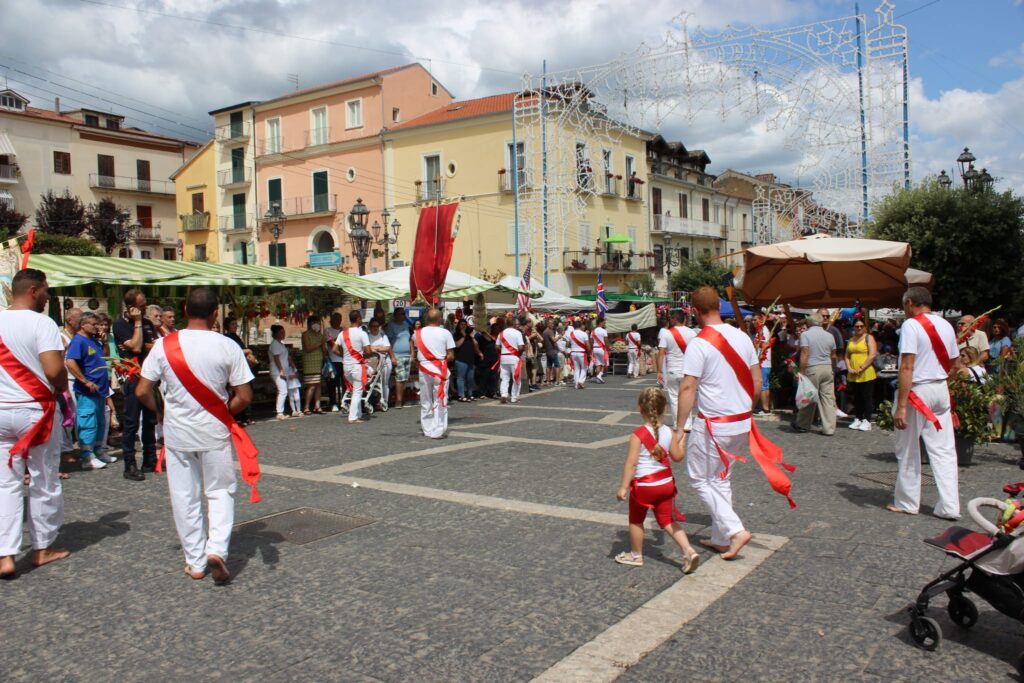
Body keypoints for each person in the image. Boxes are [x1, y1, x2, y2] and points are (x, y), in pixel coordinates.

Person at [135, 287, 255, 584]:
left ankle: (196, 562)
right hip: (214, 430)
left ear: (185, 311)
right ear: (215, 314)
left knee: (184, 495)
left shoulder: (163, 346)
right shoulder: (228, 346)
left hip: (177, 433)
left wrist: (161, 414)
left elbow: (141, 391)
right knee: (220, 491)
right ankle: (216, 549)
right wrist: (224, 412)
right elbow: (244, 395)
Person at [674, 286, 765, 560]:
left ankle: (735, 530)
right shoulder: (742, 337)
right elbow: (757, 381)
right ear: (718, 306)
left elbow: (689, 387)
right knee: (721, 477)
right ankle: (721, 537)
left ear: (695, 311)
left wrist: (680, 427)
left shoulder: (700, 343)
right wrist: (745, 409)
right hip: (740, 420)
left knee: (699, 478)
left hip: (714, 423)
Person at [0, 269, 71, 577]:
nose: (47, 296)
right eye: (45, 291)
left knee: (5, 482)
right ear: (33, 291)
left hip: (1, 408)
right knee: (44, 478)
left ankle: (5, 555)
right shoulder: (43, 323)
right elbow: (54, 371)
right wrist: (63, 385)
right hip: (36, 411)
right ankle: (42, 548)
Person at [889, 286, 961, 520]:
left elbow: (907, 365)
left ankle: (908, 502)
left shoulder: (911, 325)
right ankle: (950, 506)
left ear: (910, 303)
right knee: (944, 450)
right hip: (940, 388)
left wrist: (900, 406)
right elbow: (955, 362)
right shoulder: (946, 325)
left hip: (918, 391)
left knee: (908, 448)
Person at [614, 387, 699, 573]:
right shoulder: (668, 431)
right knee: (668, 520)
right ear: (665, 409)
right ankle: (688, 550)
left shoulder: (637, 435)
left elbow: (631, 464)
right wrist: (681, 441)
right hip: (665, 484)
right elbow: (677, 457)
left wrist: (623, 487)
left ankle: (636, 555)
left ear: (640, 408)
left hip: (644, 486)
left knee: (636, 520)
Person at [113, 289, 159, 481]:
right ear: (131, 307)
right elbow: (137, 347)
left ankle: (150, 459)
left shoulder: (148, 323)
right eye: (141, 306)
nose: (144, 308)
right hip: (132, 377)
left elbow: (154, 345)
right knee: (131, 422)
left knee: (150, 419)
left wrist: (139, 340)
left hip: (148, 377)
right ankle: (130, 464)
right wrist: (138, 323)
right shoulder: (120, 325)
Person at [65, 312, 112, 470]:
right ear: (83, 325)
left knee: (99, 421)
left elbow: (105, 356)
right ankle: (87, 456)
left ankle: (98, 450)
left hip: (100, 390)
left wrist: (104, 343)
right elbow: (70, 362)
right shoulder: (78, 341)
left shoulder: (94, 340)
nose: (97, 327)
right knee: (88, 422)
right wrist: (85, 381)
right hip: (87, 391)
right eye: (93, 324)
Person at [412, 309, 455, 438]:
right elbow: (451, 355)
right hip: (439, 370)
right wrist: (439, 361)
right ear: (440, 319)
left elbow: (414, 353)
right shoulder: (445, 333)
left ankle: (427, 429)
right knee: (440, 399)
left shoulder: (416, 334)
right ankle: (438, 429)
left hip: (423, 368)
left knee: (425, 399)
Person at [792, 314, 837, 436]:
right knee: (828, 399)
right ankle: (829, 428)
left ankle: (802, 424)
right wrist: (832, 368)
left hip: (813, 368)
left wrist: (801, 371)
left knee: (809, 396)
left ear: (810, 323)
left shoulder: (806, 335)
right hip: (827, 368)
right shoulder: (830, 336)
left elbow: (805, 353)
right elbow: (833, 355)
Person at [659, 309, 697, 429]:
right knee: (688, 397)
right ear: (684, 319)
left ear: (674, 319)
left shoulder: (666, 333)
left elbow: (661, 353)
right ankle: (688, 424)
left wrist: (659, 371)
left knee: (674, 399)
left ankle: (677, 424)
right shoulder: (692, 333)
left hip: (672, 369)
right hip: (688, 371)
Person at [335, 310, 373, 424]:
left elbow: (334, 349)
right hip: (357, 365)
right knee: (357, 391)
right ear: (358, 319)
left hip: (346, 365)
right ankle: (352, 417)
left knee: (355, 389)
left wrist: (344, 355)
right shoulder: (362, 333)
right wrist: (365, 355)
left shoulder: (342, 333)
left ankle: (358, 413)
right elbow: (368, 351)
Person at [223, 317, 257, 426]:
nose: (235, 326)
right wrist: (247, 351)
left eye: (235, 324)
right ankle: (237, 417)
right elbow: (233, 351)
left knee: (247, 391)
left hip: (243, 367)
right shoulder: (227, 337)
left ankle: (245, 416)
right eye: (232, 324)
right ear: (227, 326)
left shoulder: (236, 337)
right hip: (235, 369)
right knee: (239, 393)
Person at [845, 319, 878, 431]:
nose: (859, 328)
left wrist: (861, 367)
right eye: (856, 326)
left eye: (861, 326)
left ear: (864, 327)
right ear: (853, 327)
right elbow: (847, 356)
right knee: (857, 397)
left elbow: (872, 355)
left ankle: (867, 420)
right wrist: (849, 367)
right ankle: (858, 418)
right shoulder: (851, 340)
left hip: (866, 372)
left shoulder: (869, 338)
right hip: (853, 373)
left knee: (866, 397)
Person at [385, 308, 413, 409]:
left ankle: (400, 397)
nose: (404, 315)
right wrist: (392, 356)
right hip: (397, 355)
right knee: (399, 378)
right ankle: (399, 400)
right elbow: (387, 342)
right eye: (402, 314)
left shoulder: (406, 325)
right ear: (396, 315)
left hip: (407, 355)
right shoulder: (391, 326)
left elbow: (410, 340)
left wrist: (412, 353)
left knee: (404, 378)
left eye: (404, 313)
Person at [268, 324, 297, 420]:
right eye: (281, 332)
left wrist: (290, 364)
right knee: (283, 390)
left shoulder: (281, 343)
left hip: (283, 369)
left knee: (283, 390)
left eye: (283, 332)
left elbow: (284, 357)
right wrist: (281, 370)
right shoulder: (275, 344)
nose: (283, 334)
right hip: (277, 371)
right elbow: (276, 358)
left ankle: (281, 411)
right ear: (276, 334)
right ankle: (279, 412)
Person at [367, 318, 395, 410]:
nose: (375, 328)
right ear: (370, 327)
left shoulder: (383, 336)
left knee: (385, 382)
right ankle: (374, 400)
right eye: (373, 326)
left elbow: (387, 348)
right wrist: (378, 347)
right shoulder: (367, 336)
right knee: (373, 382)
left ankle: (384, 401)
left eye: (377, 326)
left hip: (385, 361)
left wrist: (375, 348)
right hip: (372, 361)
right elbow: (367, 349)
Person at [497, 315, 526, 404]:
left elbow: (497, 346)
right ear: (513, 324)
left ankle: (504, 394)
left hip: (503, 357)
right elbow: (521, 347)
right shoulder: (517, 333)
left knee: (504, 378)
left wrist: (502, 352)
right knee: (516, 378)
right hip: (514, 358)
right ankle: (514, 397)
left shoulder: (501, 333)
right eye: (517, 324)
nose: (519, 325)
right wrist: (518, 354)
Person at [300, 316, 327, 414]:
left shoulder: (320, 335)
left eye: (318, 322)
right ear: (310, 324)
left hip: (319, 362)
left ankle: (317, 406)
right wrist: (320, 344)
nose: (317, 324)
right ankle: (306, 407)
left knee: (318, 385)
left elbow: (324, 350)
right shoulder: (305, 335)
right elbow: (308, 347)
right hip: (310, 363)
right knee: (311, 385)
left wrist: (324, 345)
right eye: (315, 322)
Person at [453, 319, 480, 402]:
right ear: (458, 325)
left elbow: (476, 344)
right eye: (461, 324)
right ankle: (461, 395)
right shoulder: (456, 334)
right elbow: (457, 345)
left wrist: (471, 337)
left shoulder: (469, 335)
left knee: (470, 378)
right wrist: (463, 336)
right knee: (461, 378)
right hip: (461, 360)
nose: (463, 326)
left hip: (470, 359)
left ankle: (470, 394)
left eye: (465, 324)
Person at [323, 312, 344, 413]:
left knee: (345, 383)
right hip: (333, 361)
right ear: (331, 320)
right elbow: (331, 343)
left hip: (344, 360)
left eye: (339, 319)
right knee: (333, 383)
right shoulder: (327, 330)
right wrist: (338, 339)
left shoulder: (343, 330)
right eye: (335, 319)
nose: (337, 321)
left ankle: (345, 402)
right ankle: (333, 403)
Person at [754, 310, 773, 415]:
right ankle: (764, 407)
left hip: (763, 362)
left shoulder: (763, 330)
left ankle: (765, 408)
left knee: (763, 385)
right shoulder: (761, 329)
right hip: (763, 362)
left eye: (755, 319)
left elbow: (764, 345)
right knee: (764, 385)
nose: (753, 322)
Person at [568, 318, 591, 389]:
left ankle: (576, 384)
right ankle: (580, 381)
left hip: (573, 353)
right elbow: (587, 345)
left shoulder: (571, 334)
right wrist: (589, 352)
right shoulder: (584, 334)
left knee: (576, 369)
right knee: (585, 367)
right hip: (581, 353)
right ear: (581, 326)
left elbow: (567, 344)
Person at [542, 320, 562, 385]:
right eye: (551, 324)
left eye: (553, 324)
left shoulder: (544, 332)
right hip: (553, 351)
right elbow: (554, 340)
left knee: (548, 366)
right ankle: (557, 381)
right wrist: (559, 337)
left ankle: (548, 381)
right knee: (557, 366)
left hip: (548, 351)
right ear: (548, 324)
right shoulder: (549, 331)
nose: (553, 325)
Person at [592, 317, 610, 383]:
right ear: (600, 322)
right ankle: (599, 375)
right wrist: (608, 349)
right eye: (603, 322)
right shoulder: (604, 331)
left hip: (595, 348)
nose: (604, 323)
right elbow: (606, 341)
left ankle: (598, 379)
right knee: (605, 364)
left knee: (598, 364)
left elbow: (591, 341)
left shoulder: (593, 331)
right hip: (601, 349)